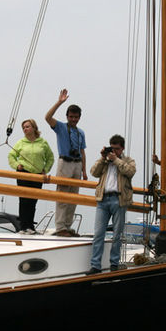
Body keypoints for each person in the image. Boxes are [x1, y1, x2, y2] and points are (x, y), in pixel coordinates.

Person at [88, 134, 136, 274]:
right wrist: (103, 158)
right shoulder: (105, 161)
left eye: (117, 149)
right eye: (112, 148)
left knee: (116, 235)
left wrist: (116, 160)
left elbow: (130, 171)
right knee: (98, 234)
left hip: (119, 200)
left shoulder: (128, 160)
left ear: (122, 149)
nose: (113, 151)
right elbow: (93, 172)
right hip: (103, 200)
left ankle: (114, 264)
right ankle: (95, 265)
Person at [44, 89, 87, 237]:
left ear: (79, 117)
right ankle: (60, 226)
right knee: (62, 195)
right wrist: (59, 102)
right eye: (71, 117)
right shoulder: (61, 127)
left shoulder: (81, 132)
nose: (73, 119)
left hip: (77, 164)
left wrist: (84, 171)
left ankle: (68, 226)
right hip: (65, 162)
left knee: (74, 197)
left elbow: (82, 152)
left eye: (76, 117)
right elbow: (47, 117)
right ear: (67, 116)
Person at [8, 119, 55, 234]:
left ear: (34, 128)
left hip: (37, 175)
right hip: (24, 173)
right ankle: (23, 226)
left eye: (27, 126)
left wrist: (46, 169)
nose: (25, 129)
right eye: (23, 127)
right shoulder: (21, 142)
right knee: (23, 200)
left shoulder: (42, 142)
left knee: (33, 201)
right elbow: (11, 156)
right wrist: (16, 165)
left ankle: (30, 226)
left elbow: (50, 158)